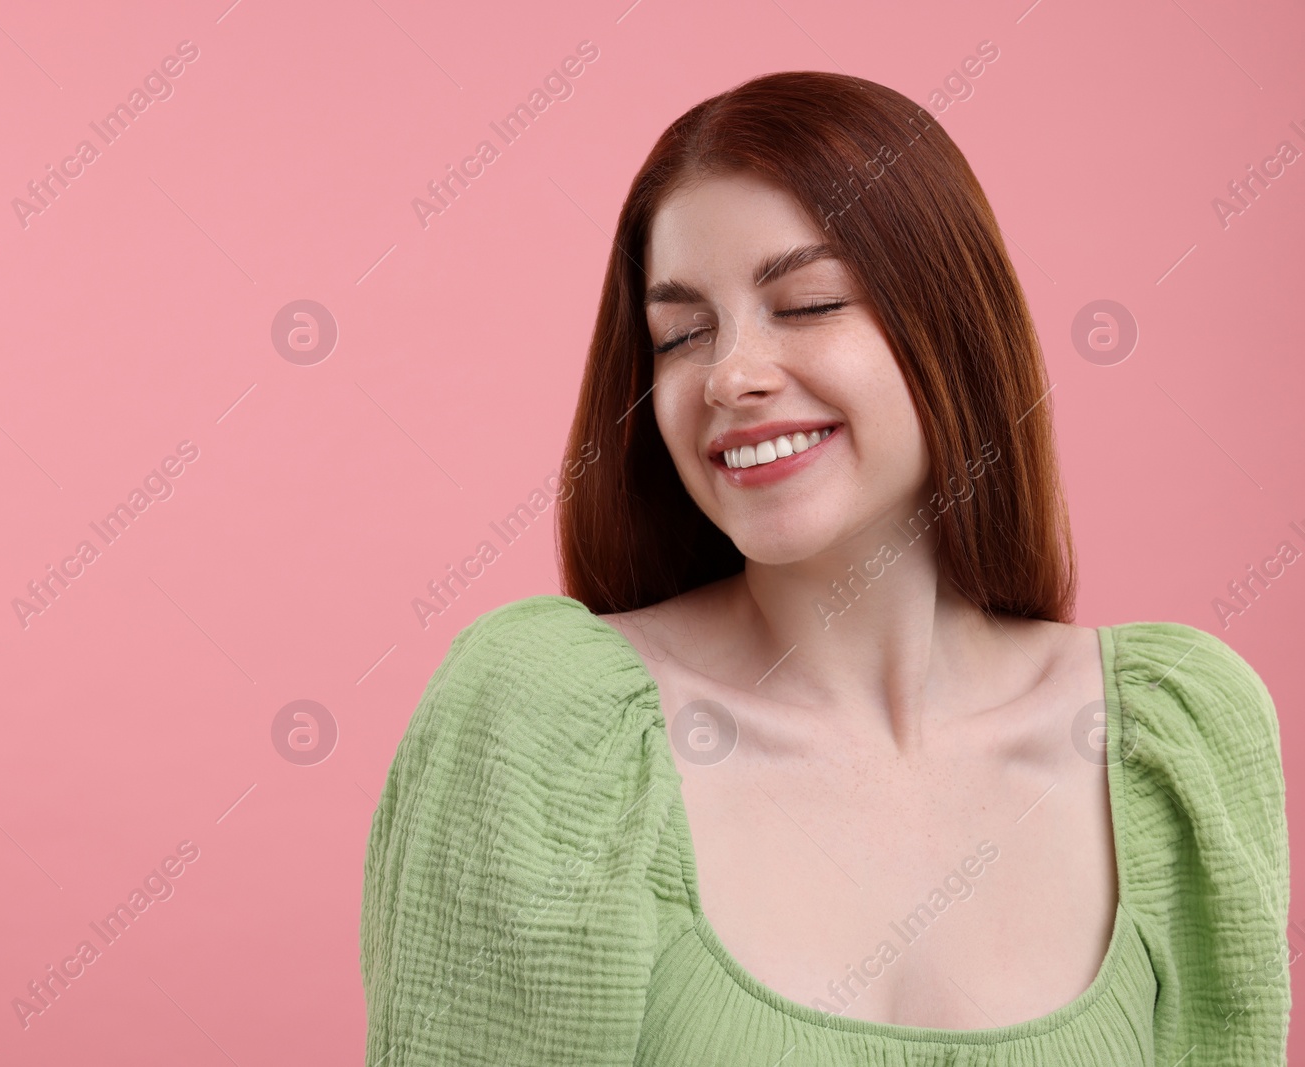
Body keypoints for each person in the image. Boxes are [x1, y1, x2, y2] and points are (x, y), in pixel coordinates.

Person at [360, 71, 1290, 1065]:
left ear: (954, 324)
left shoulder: (1178, 739)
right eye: (680, 334)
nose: (729, 374)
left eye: (804, 304)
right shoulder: (545, 725)